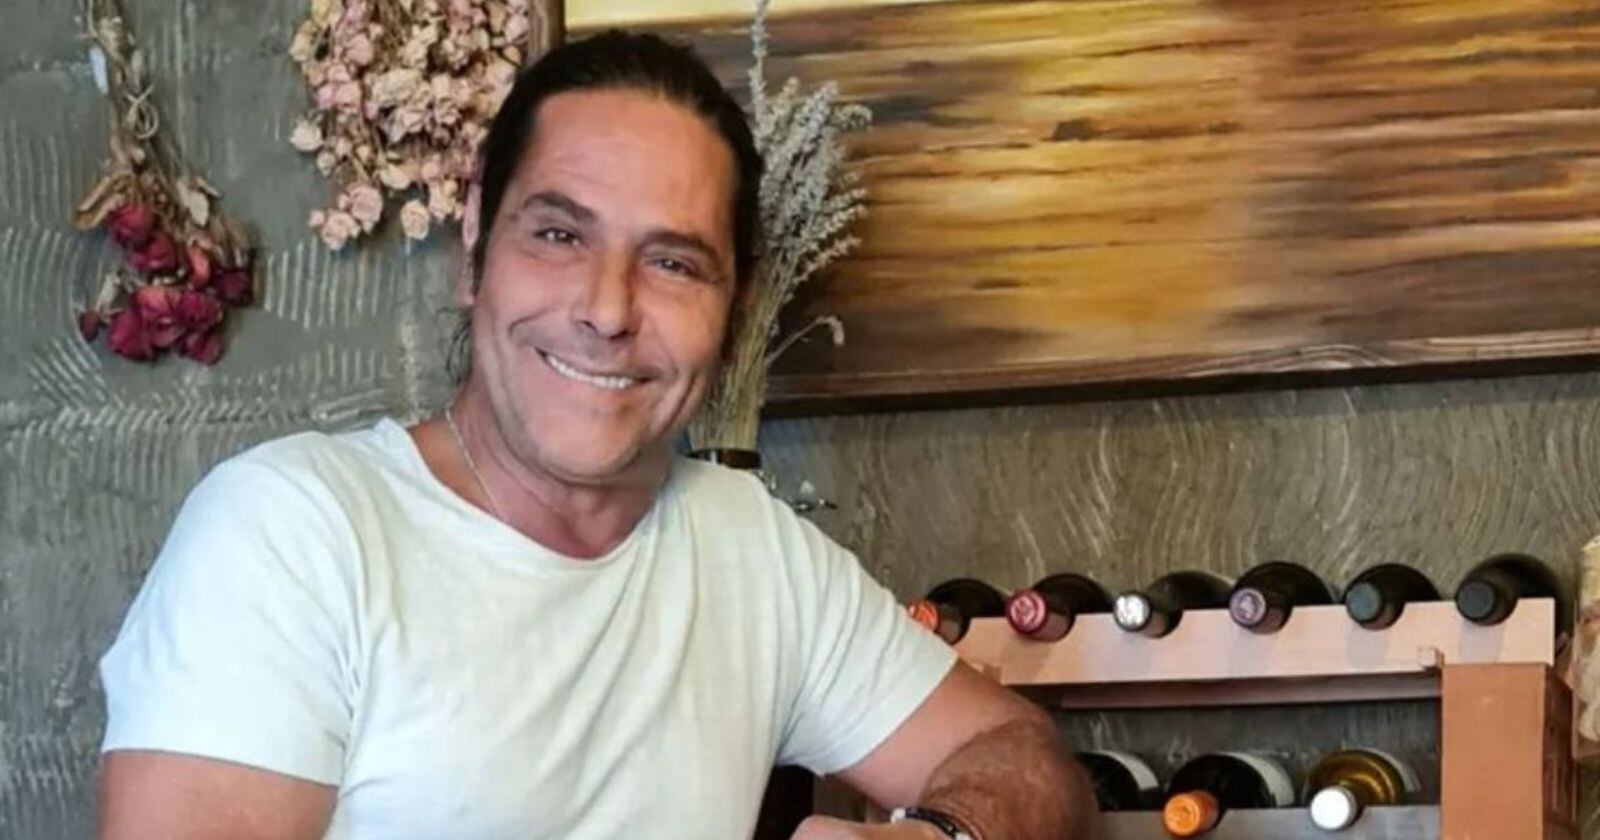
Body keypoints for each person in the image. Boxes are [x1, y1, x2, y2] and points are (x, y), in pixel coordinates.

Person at [96, 30, 1094, 840]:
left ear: (737, 309)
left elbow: (1026, 758)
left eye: (673, 263)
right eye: (560, 235)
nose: (607, 310)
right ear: (475, 248)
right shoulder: (292, 532)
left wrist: (948, 835)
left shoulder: (748, 549)